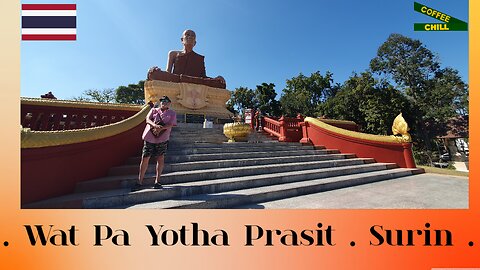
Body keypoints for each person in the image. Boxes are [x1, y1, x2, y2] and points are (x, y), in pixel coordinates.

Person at [147, 29, 226, 89]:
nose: (190, 37)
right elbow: (168, 73)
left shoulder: (200, 58)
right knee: (153, 74)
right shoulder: (173, 54)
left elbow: (204, 77)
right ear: (182, 40)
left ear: (195, 43)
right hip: (177, 79)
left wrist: (216, 79)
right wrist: (156, 70)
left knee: (220, 83)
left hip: (195, 81)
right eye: (187, 34)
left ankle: (185, 79)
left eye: (193, 36)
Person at [132, 95, 177, 191]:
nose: (164, 102)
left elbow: (171, 124)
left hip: (163, 138)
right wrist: (154, 125)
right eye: (162, 101)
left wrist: (161, 128)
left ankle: (157, 181)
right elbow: (147, 119)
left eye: (166, 101)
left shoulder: (172, 113)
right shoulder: (153, 110)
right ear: (160, 102)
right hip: (150, 137)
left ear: (169, 103)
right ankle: (139, 181)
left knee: (160, 158)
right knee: (145, 158)